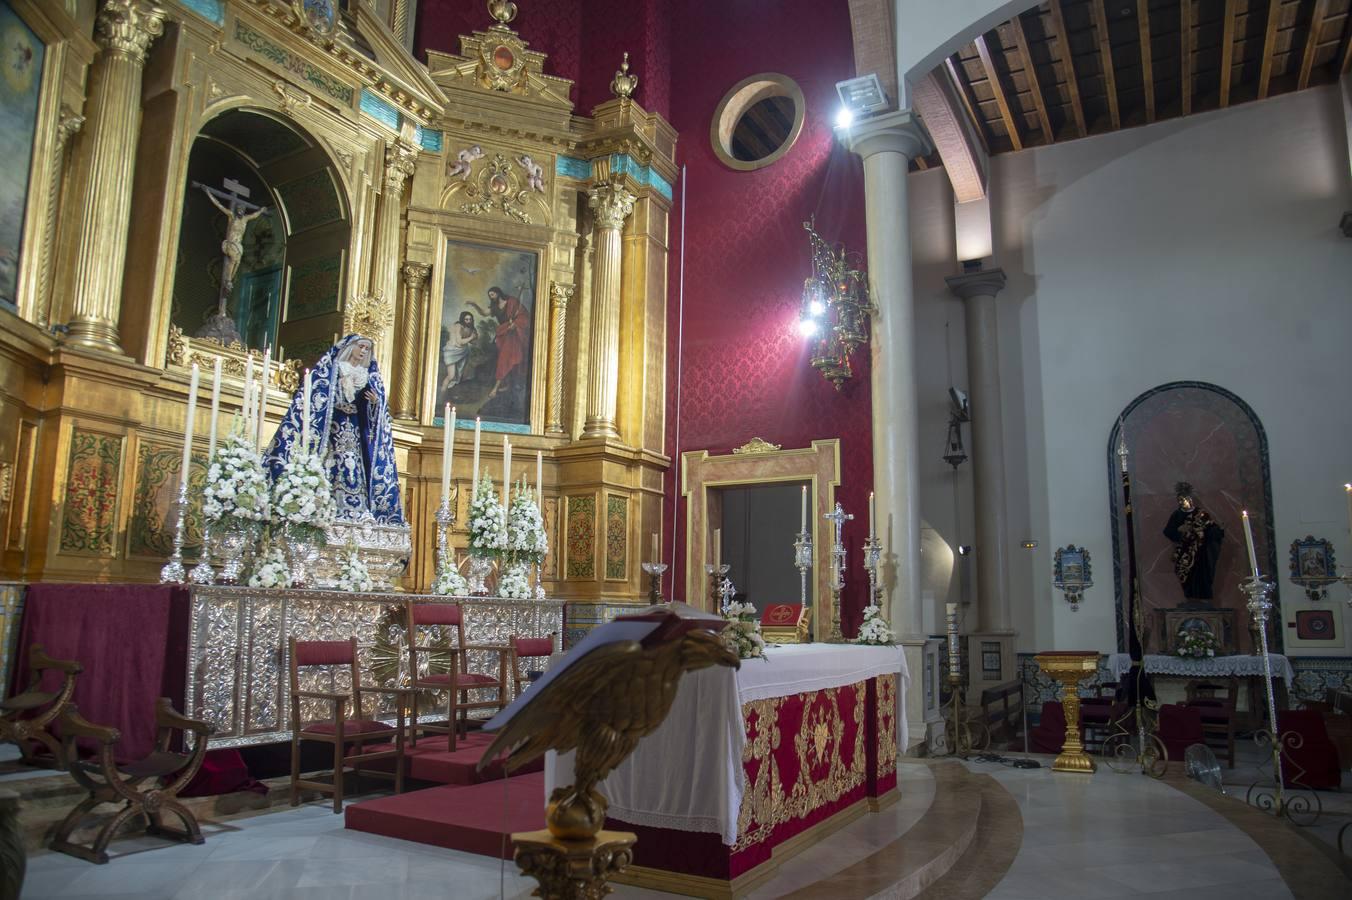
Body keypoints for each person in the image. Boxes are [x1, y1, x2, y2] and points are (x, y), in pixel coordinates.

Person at [263, 335, 404, 525]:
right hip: (334, 430)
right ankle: (328, 507)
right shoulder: (332, 370)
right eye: (360, 347)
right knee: (332, 464)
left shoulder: (367, 376)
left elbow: (377, 419)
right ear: (350, 347)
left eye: (366, 349)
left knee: (355, 467)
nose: (363, 351)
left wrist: (374, 404)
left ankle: (357, 511)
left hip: (354, 432)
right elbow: (318, 397)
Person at [1162, 482, 1224, 602]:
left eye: (1182, 500)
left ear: (1189, 499)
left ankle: (1204, 596)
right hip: (1185, 550)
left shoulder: (1201, 514)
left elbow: (1210, 529)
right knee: (1185, 573)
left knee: (1202, 573)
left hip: (1201, 550)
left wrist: (1219, 531)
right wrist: (1181, 531)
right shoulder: (1177, 514)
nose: (1180, 502)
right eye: (1178, 500)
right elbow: (1168, 531)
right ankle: (1189, 595)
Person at [468, 286, 527, 399]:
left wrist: (515, 324)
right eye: (490, 295)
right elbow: (483, 313)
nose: (491, 297)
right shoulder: (494, 307)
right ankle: (506, 383)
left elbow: (523, 315)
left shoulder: (512, 301)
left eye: (492, 294)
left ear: (498, 293)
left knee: (505, 360)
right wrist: (474, 304)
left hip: (513, 335)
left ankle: (495, 389)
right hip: (503, 334)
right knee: (503, 359)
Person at [440, 311, 477, 391]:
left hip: (463, 352)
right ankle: (441, 393)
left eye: (470, 319)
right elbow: (460, 342)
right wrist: (471, 337)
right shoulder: (458, 326)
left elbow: (473, 342)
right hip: (452, 351)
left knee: (459, 375)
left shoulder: (471, 328)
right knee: (451, 375)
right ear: (462, 319)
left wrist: (474, 338)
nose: (468, 321)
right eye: (466, 319)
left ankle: (453, 391)